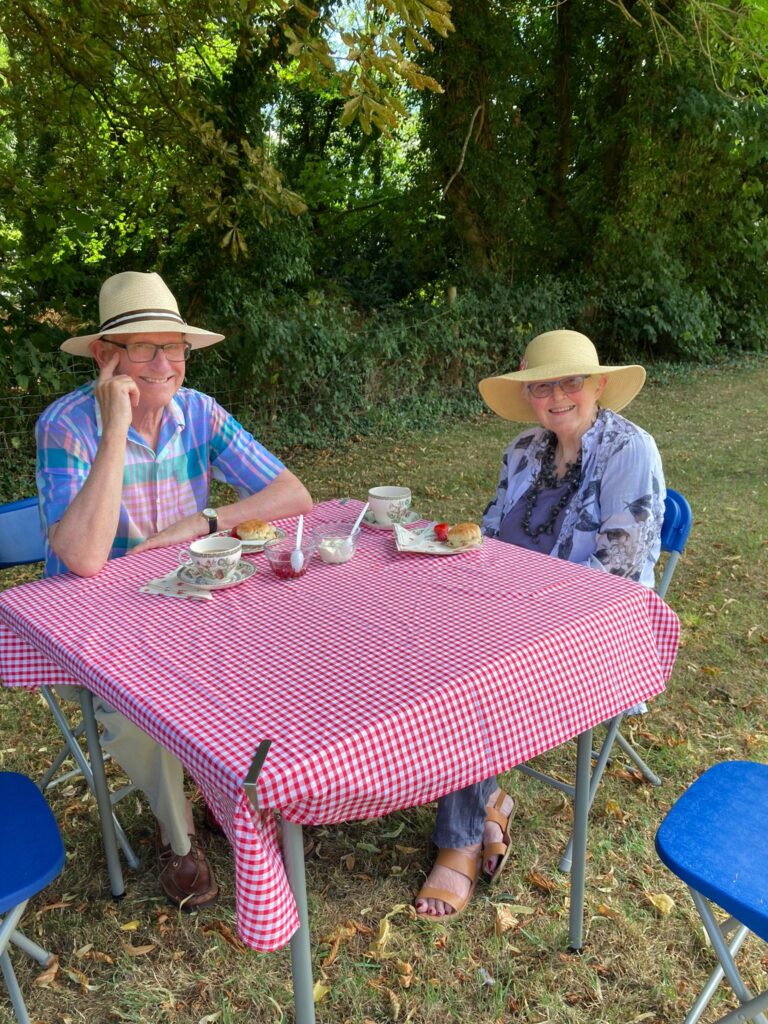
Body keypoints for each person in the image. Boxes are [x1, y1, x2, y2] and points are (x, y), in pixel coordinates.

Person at [36, 271, 313, 910]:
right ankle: (179, 836)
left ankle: (238, 792)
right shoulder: (67, 426)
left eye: (175, 347)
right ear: (105, 358)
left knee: (272, 654)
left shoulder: (200, 412)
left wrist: (205, 521)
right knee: (142, 716)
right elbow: (81, 556)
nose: (165, 363)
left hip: (188, 601)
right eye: (143, 348)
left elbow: (293, 494)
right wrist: (115, 427)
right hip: (101, 620)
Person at [414, 329, 665, 918]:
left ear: (599, 385)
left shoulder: (631, 450)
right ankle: (487, 797)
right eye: (541, 385)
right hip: (507, 610)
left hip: (593, 631)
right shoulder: (525, 448)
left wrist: (516, 610)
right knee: (426, 628)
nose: (556, 396)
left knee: (469, 668)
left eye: (570, 381)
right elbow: (491, 535)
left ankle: (458, 844)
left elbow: (617, 571)